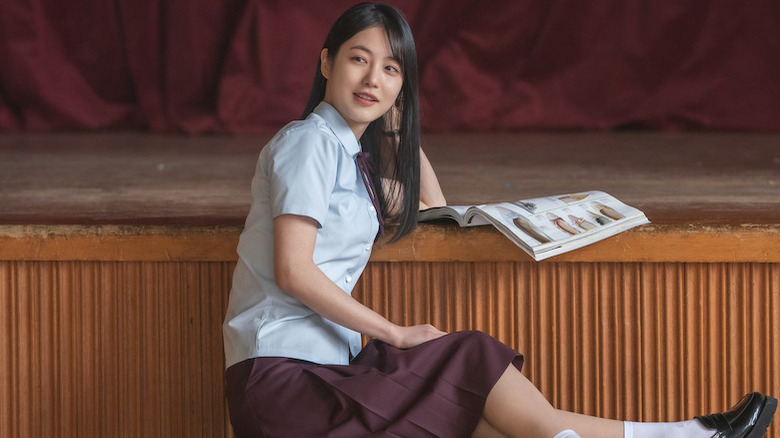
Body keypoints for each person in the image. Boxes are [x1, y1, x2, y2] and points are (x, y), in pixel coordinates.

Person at [222, 3, 777, 437]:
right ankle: (691, 435)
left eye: (392, 69)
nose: (372, 77)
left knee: (482, 420)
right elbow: (293, 271)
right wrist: (395, 332)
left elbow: (431, 209)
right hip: (284, 380)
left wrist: (393, 120)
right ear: (325, 63)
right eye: (358, 59)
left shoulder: (350, 159)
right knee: (467, 358)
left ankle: (690, 434)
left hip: (322, 374)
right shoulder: (308, 144)